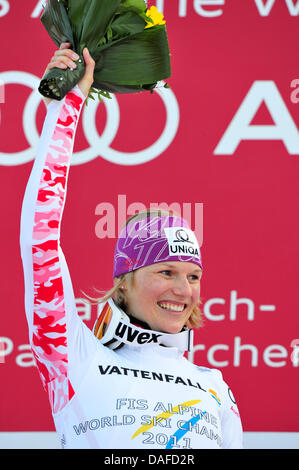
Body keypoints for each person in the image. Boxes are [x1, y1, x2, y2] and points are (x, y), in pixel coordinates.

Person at [20, 43, 243, 449]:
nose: (184, 290)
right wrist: (64, 105)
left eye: (193, 276)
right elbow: (40, 239)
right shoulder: (76, 359)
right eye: (166, 271)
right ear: (124, 281)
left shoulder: (214, 388)